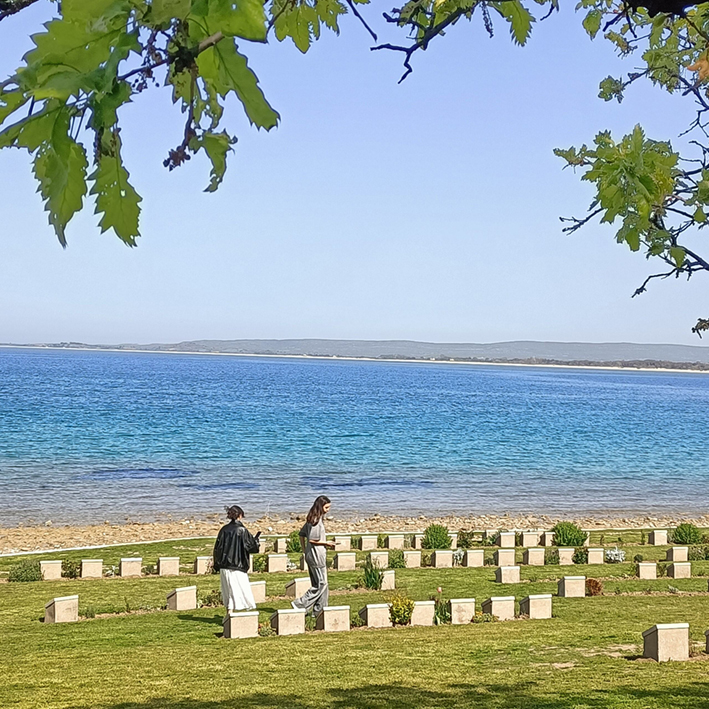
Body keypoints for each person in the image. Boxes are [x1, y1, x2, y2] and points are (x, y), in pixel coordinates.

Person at [212, 504, 261, 613]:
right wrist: (256, 542)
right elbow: (252, 547)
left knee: (228, 591)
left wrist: (216, 564)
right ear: (239, 516)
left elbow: (217, 548)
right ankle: (233, 615)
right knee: (239, 590)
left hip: (224, 565)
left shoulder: (224, 529)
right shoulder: (242, 530)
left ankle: (229, 613)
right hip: (237, 566)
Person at [292, 495, 335, 616]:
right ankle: (300, 603)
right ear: (320, 507)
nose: (328, 510)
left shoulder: (311, 519)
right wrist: (326, 543)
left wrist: (304, 550)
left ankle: (319, 611)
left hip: (311, 555)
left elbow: (301, 534)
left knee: (321, 584)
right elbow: (312, 539)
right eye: (326, 507)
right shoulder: (316, 521)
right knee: (321, 584)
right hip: (317, 556)